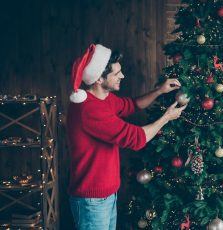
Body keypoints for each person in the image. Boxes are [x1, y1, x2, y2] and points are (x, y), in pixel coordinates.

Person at [66, 43, 187, 230]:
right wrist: (166, 118)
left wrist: (159, 90)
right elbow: (136, 138)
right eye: (116, 73)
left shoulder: (104, 98)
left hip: (106, 194)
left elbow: (132, 105)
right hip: (92, 201)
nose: (122, 76)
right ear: (99, 79)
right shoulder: (89, 109)